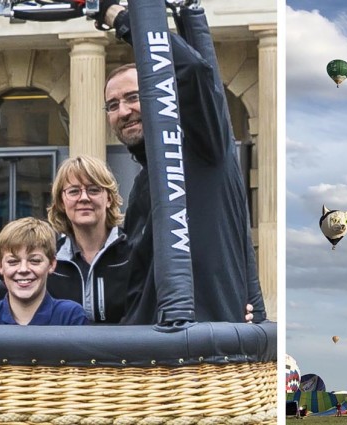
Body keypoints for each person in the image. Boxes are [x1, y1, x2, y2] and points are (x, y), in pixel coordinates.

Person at [98, 1, 265, 325]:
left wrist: (121, 18)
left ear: (160, 92)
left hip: (206, 352)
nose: (123, 111)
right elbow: (138, 288)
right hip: (152, 358)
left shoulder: (204, 150)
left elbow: (193, 70)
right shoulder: (142, 188)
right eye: (112, 105)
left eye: (133, 97)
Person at [0, 156, 132, 324]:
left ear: (109, 199)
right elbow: (7, 289)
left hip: (124, 354)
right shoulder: (52, 257)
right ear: (62, 202)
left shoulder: (132, 255)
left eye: (94, 190)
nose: (84, 198)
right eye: (74, 191)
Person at [0, 217, 88, 326]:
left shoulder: (70, 316)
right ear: (0, 265)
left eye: (35, 261)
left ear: (52, 264)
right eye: (13, 261)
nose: (23, 269)